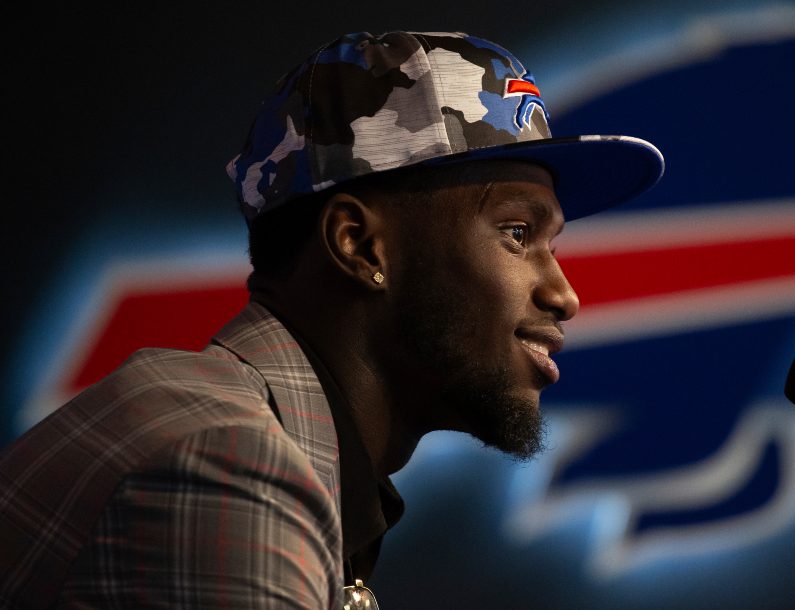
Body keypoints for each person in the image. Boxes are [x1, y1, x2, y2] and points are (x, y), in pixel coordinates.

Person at [0, 30, 663, 609]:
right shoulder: (225, 460)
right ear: (360, 245)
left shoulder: (277, 450)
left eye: (553, 244)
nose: (565, 296)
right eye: (517, 234)